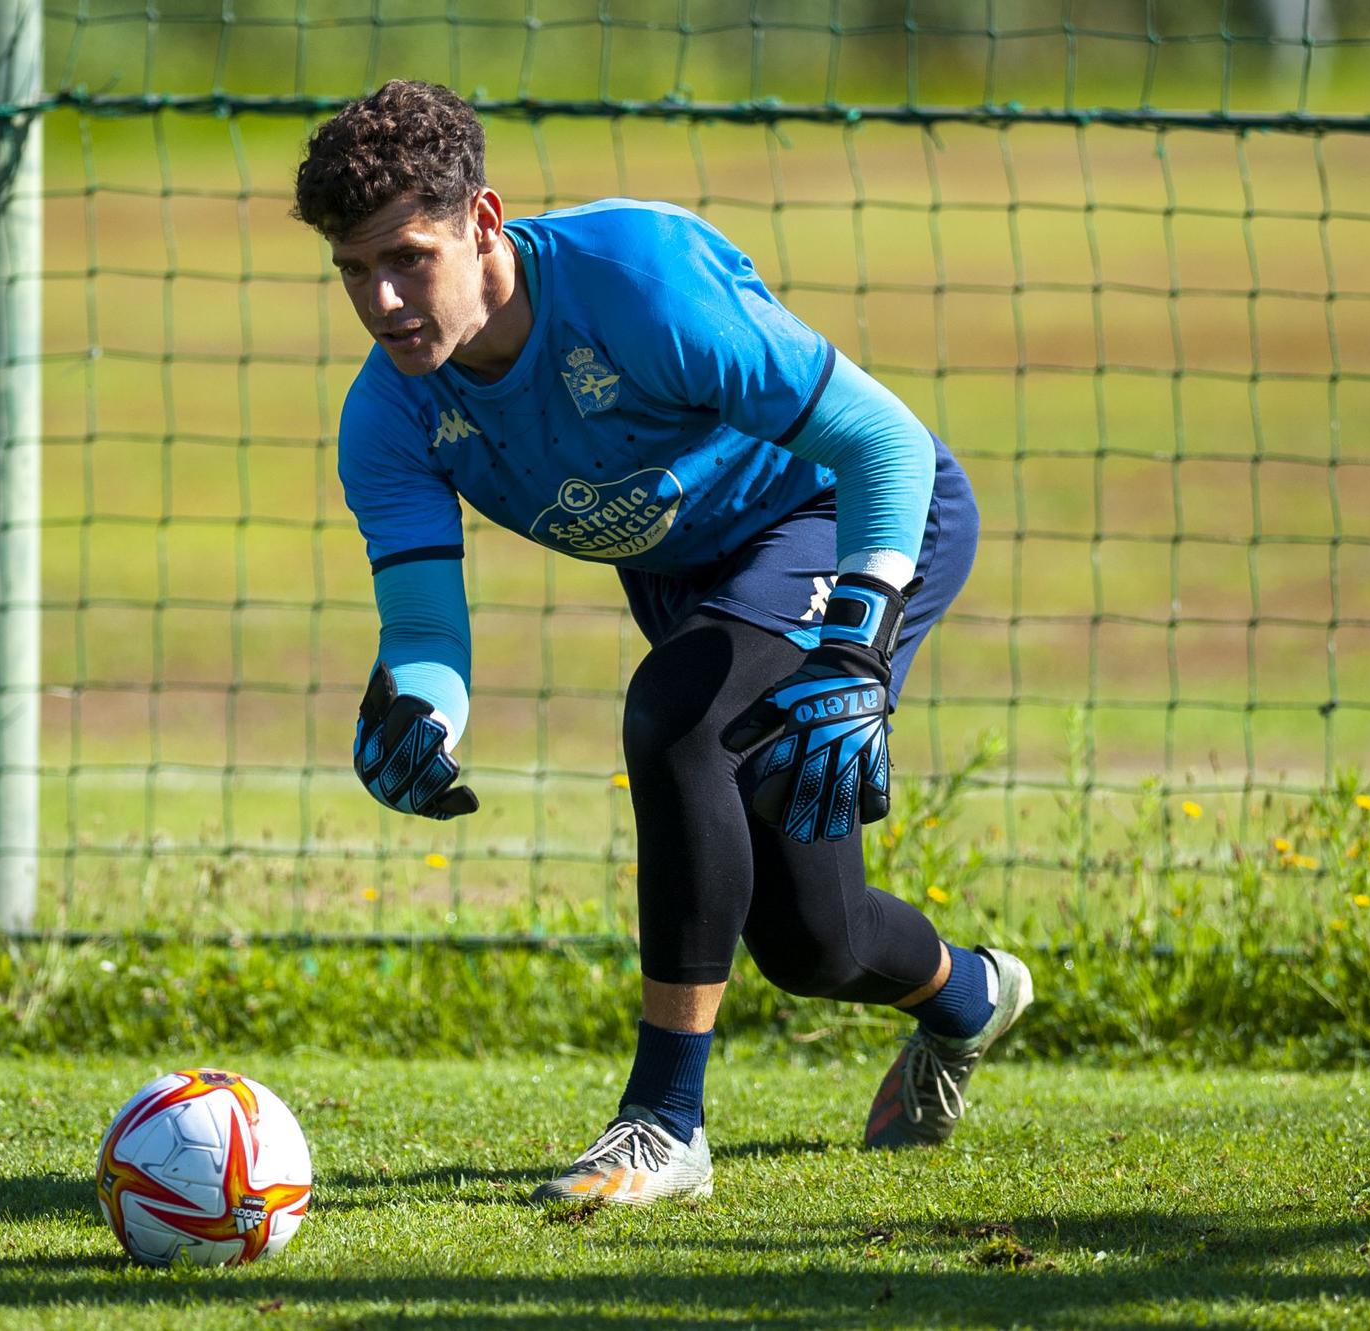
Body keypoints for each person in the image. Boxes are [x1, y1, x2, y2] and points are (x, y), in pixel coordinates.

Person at [292, 79, 1032, 1206]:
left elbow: (883, 443)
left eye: (408, 257)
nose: (383, 299)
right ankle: (969, 997)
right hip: (700, 573)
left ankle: (662, 1123)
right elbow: (425, 625)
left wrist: (857, 647)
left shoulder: (641, 285)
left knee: (676, 717)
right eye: (353, 270)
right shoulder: (388, 416)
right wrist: (422, 713)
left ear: (483, 222)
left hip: (853, 513)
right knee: (811, 942)